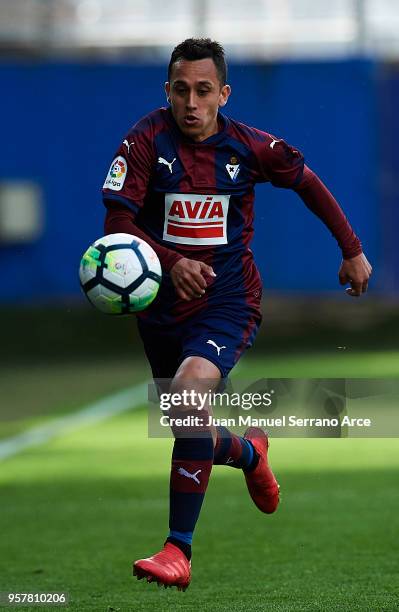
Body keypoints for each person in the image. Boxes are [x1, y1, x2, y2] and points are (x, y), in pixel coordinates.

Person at [102, 38, 372, 591]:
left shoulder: (249, 146)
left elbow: (308, 183)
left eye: (204, 91)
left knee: (186, 396)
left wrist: (352, 250)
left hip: (228, 300)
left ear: (223, 94)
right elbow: (117, 223)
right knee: (185, 418)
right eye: (181, 90)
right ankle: (249, 451)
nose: (192, 103)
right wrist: (172, 262)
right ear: (167, 92)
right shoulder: (145, 140)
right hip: (160, 309)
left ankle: (178, 551)